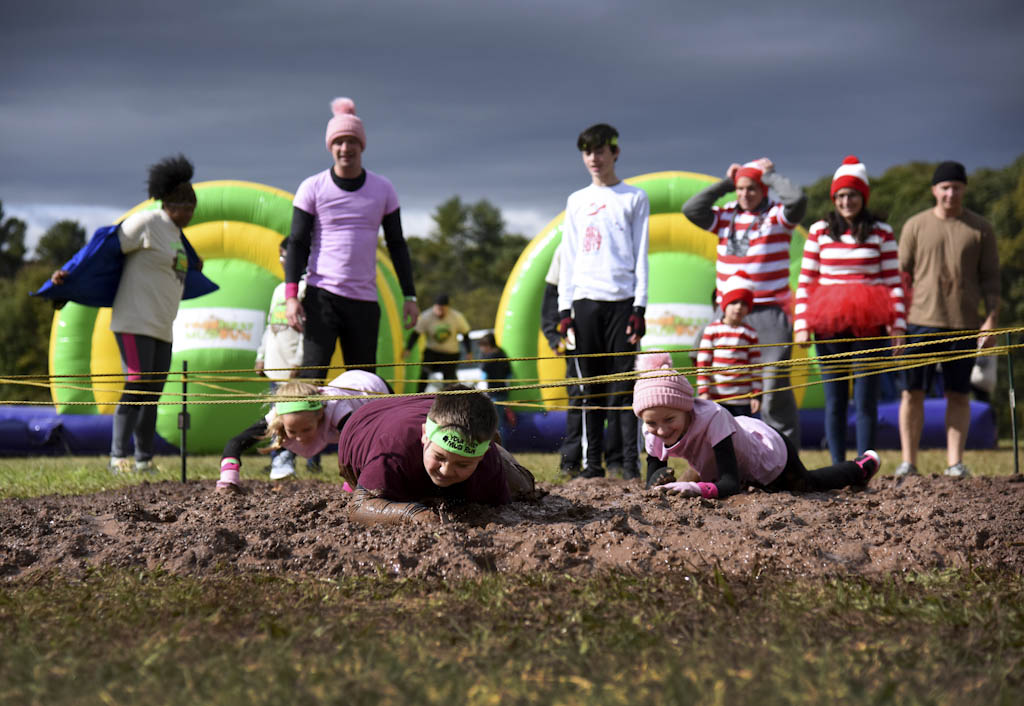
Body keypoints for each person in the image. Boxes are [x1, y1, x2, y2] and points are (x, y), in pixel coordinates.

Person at [51, 155, 202, 474]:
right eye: (185, 207)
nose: (190, 213)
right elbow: (101, 248)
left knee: (152, 394)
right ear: (170, 203)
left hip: (163, 326)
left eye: (192, 208)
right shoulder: (146, 223)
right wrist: (69, 274)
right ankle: (117, 456)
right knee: (136, 384)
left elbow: (184, 264)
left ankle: (143, 459)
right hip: (134, 321)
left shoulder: (176, 235)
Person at [284, 97, 418, 379]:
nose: (345, 148)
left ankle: (357, 425)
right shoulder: (312, 187)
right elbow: (297, 242)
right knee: (312, 377)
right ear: (330, 147)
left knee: (363, 380)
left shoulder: (383, 189)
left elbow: (397, 244)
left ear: (362, 145)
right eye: (338, 142)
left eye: (351, 141)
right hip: (322, 296)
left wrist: (409, 295)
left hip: (364, 301)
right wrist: (292, 296)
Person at [633, 352, 880, 500]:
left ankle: (860, 468)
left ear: (686, 409)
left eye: (669, 420)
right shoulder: (652, 427)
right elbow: (652, 481)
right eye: (652, 423)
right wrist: (658, 483)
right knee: (699, 475)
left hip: (767, 452)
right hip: (717, 456)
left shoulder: (713, 417)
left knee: (807, 486)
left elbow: (729, 484)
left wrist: (694, 488)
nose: (662, 430)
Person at [682, 157, 806, 444]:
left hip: (768, 310)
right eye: (740, 189)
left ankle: (784, 456)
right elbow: (691, 209)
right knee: (707, 364)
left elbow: (797, 199)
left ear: (763, 190)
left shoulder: (777, 215)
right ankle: (719, 450)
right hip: (728, 311)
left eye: (751, 188)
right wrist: (727, 182)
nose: (744, 194)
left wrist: (771, 175)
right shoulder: (725, 215)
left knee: (773, 385)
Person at [793, 156, 905, 465]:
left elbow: (893, 281)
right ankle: (838, 466)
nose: (846, 201)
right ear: (834, 198)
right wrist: (802, 323)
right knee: (835, 400)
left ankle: (865, 465)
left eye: (852, 194)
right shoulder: (819, 231)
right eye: (841, 195)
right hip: (827, 323)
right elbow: (806, 281)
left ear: (863, 197)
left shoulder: (881, 232)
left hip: (870, 324)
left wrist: (898, 325)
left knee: (867, 400)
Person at [896, 161, 1001, 478]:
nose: (950, 193)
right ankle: (908, 462)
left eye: (956, 187)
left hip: (964, 322)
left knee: (958, 394)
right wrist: (898, 324)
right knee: (911, 393)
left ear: (964, 189)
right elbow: (900, 277)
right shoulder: (915, 225)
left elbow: (992, 280)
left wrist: (991, 320)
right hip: (919, 322)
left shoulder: (980, 228)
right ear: (934, 190)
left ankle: (955, 462)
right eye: (944, 187)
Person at [557, 123, 650, 480]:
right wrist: (565, 311)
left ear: (615, 153)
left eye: (600, 151)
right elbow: (569, 257)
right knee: (588, 389)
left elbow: (641, 255)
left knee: (623, 388)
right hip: (584, 302)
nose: (594, 159)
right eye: (587, 152)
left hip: (623, 301)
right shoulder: (576, 200)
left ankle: (629, 465)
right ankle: (591, 465)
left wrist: (640, 308)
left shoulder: (634, 197)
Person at [338, 386, 537, 525]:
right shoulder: (393, 448)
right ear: (424, 434)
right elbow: (358, 508)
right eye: (440, 458)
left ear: (483, 454)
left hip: (440, 412)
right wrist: (414, 514)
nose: (446, 471)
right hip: (372, 420)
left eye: (462, 464)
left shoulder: (488, 460)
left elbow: (502, 508)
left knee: (523, 489)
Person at [216, 369, 391, 491]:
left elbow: (361, 446)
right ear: (281, 421)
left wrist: (351, 486)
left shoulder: (336, 408)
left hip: (374, 390)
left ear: (320, 415)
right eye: (292, 431)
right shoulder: (278, 414)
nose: (300, 438)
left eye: (306, 429)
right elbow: (235, 443)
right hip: (350, 382)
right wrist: (228, 480)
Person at [254, 238, 323, 479]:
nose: (284, 261)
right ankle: (280, 459)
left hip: (297, 366)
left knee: (307, 411)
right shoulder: (277, 290)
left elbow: (313, 332)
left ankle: (313, 461)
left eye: (288, 256)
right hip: (276, 363)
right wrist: (261, 356)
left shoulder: (308, 289)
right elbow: (269, 325)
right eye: (281, 256)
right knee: (278, 414)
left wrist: (299, 361)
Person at [697, 274, 762, 417]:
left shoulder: (749, 334)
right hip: (716, 398)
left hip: (742, 400)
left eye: (744, 304)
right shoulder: (712, 330)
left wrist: (756, 394)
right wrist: (704, 391)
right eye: (734, 302)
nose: (738, 307)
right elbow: (703, 363)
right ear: (724, 305)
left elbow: (755, 366)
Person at [404, 293, 471, 392]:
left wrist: (469, 352)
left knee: (449, 380)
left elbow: (465, 335)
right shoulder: (426, 316)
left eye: (443, 310)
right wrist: (408, 349)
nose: (440, 312)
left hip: (450, 353)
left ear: (448, 308)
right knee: (424, 374)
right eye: (438, 309)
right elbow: (416, 334)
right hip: (432, 351)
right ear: (434, 307)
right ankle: (419, 396)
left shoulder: (457, 317)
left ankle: (450, 401)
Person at [477, 332, 517, 440]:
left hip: (493, 394)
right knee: (500, 423)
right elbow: (509, 374)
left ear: (488, 345)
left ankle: (498, 449)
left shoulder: (488, 359)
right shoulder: (502, 354)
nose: (481, 349)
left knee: (494, 424)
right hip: (503, 392)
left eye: (482, 346)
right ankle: (500, 448)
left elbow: (483, 377)